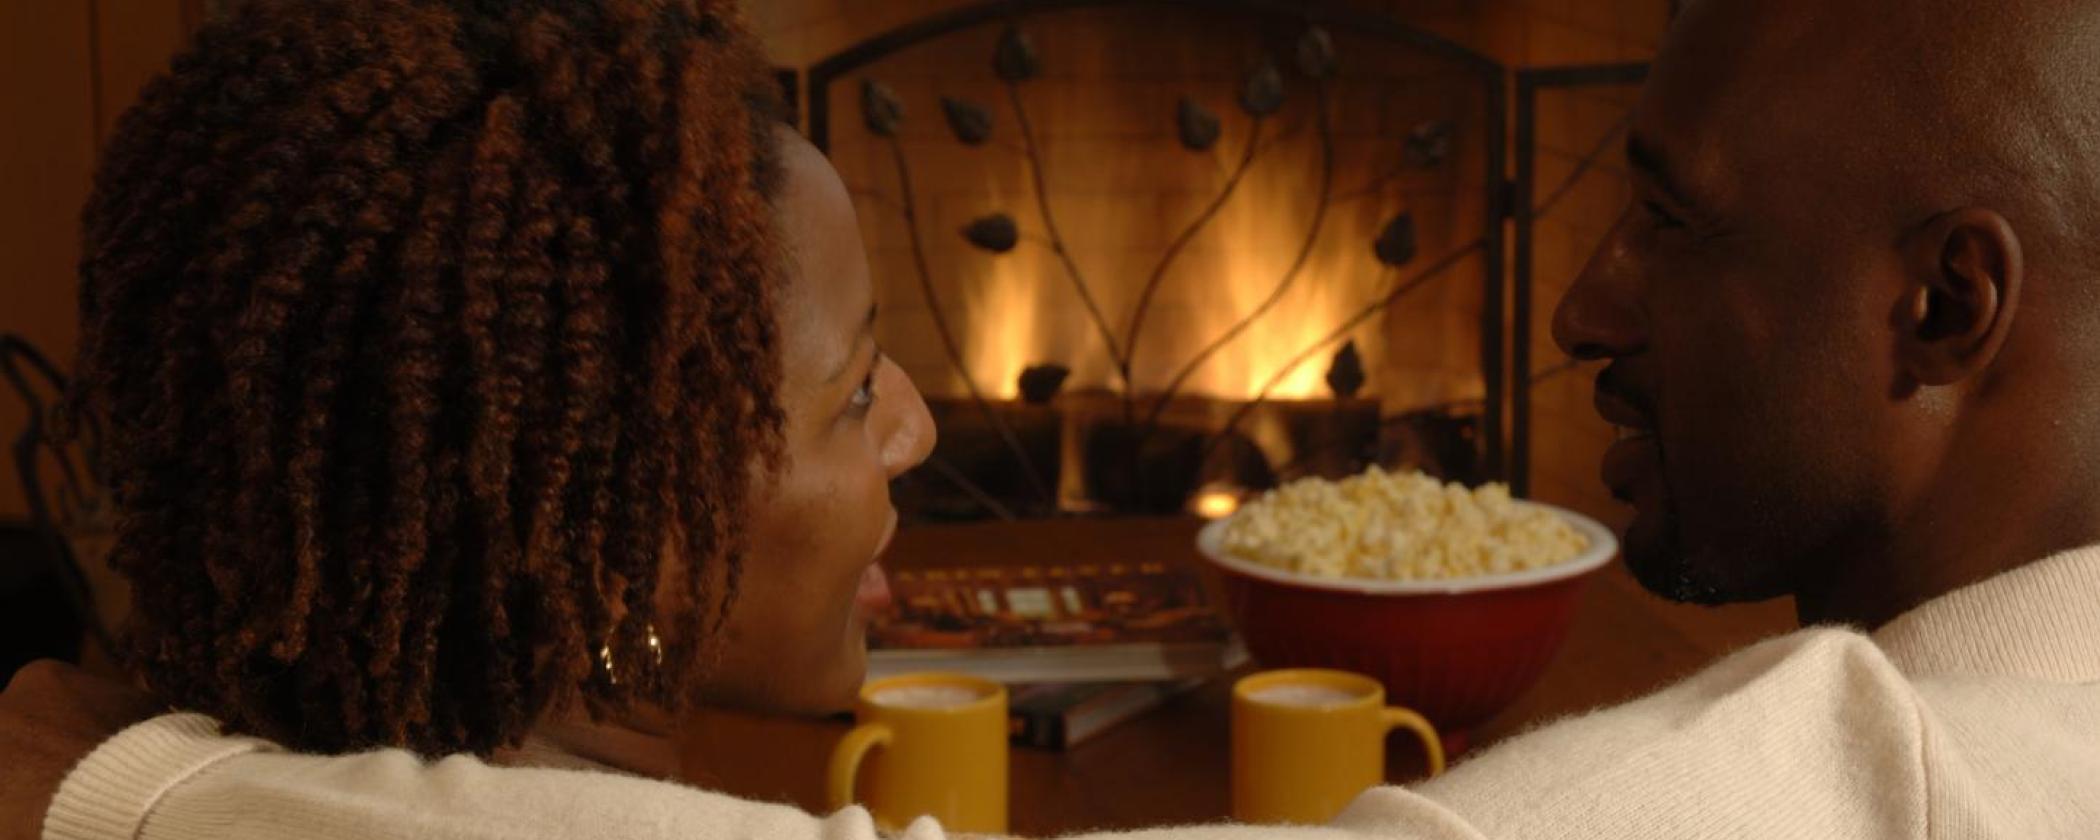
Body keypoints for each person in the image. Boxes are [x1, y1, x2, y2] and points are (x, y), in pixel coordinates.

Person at [4, 0, 2098, 835]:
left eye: (1669, 217)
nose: (1583, 295)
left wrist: (144, 783)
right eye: (848, 392)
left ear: (1943, 301)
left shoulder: (1927, 774)